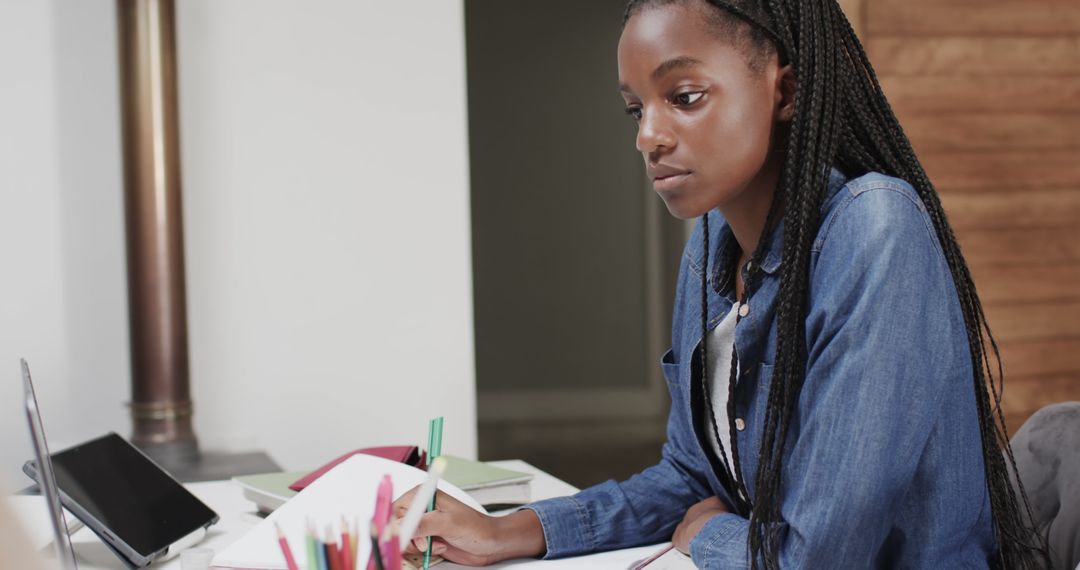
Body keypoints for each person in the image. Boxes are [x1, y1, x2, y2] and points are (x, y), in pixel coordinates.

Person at [393, 0, 1048, 567]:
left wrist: (711, 536)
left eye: (683, 97)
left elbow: (821, 558)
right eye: (634, 110)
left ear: (785, 91)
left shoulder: (874, 228)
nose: (648, 136)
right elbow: (689, 476)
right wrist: (510, 532)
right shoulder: (709, 248)